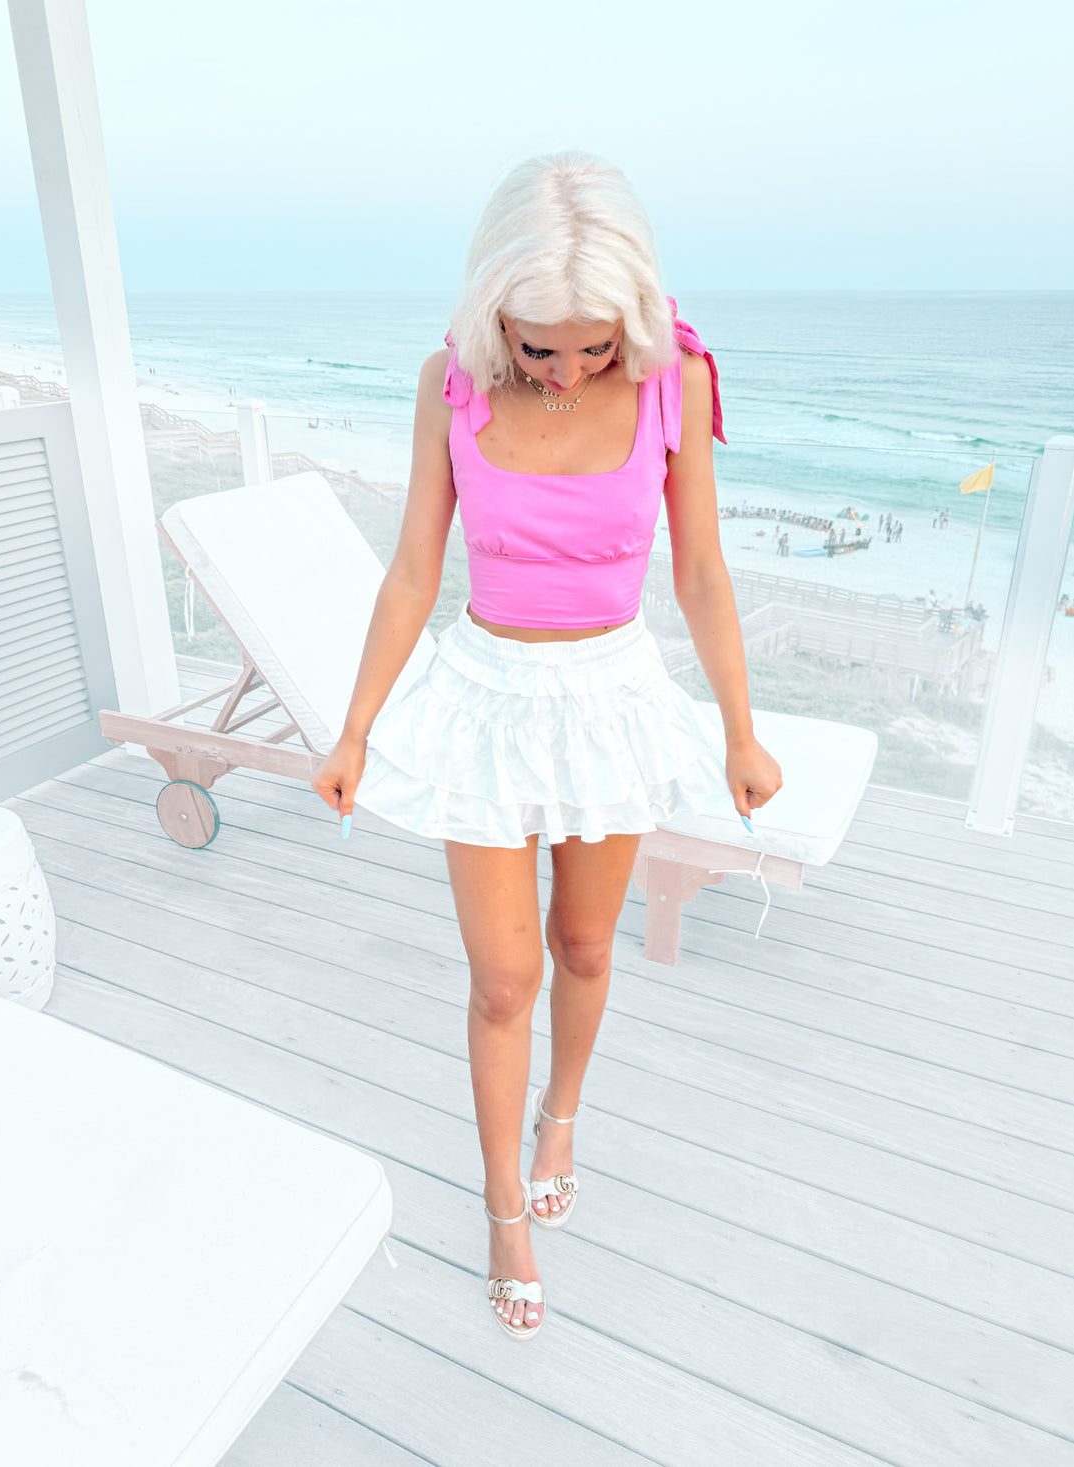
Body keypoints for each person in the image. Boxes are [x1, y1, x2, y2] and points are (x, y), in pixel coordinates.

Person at [311, 152, 781, 1342]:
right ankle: (502, 1208)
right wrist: (355, 727)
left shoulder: (674, 377)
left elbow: (700, 571)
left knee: (582, 945)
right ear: (492, 316)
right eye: (536, 348)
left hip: (612, 692)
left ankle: (559, 1115)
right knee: (503, 976)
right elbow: (415, 566)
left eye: (589, 346)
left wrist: (739, 728)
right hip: (483, 694)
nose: (564, 370)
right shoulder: (449, 385)